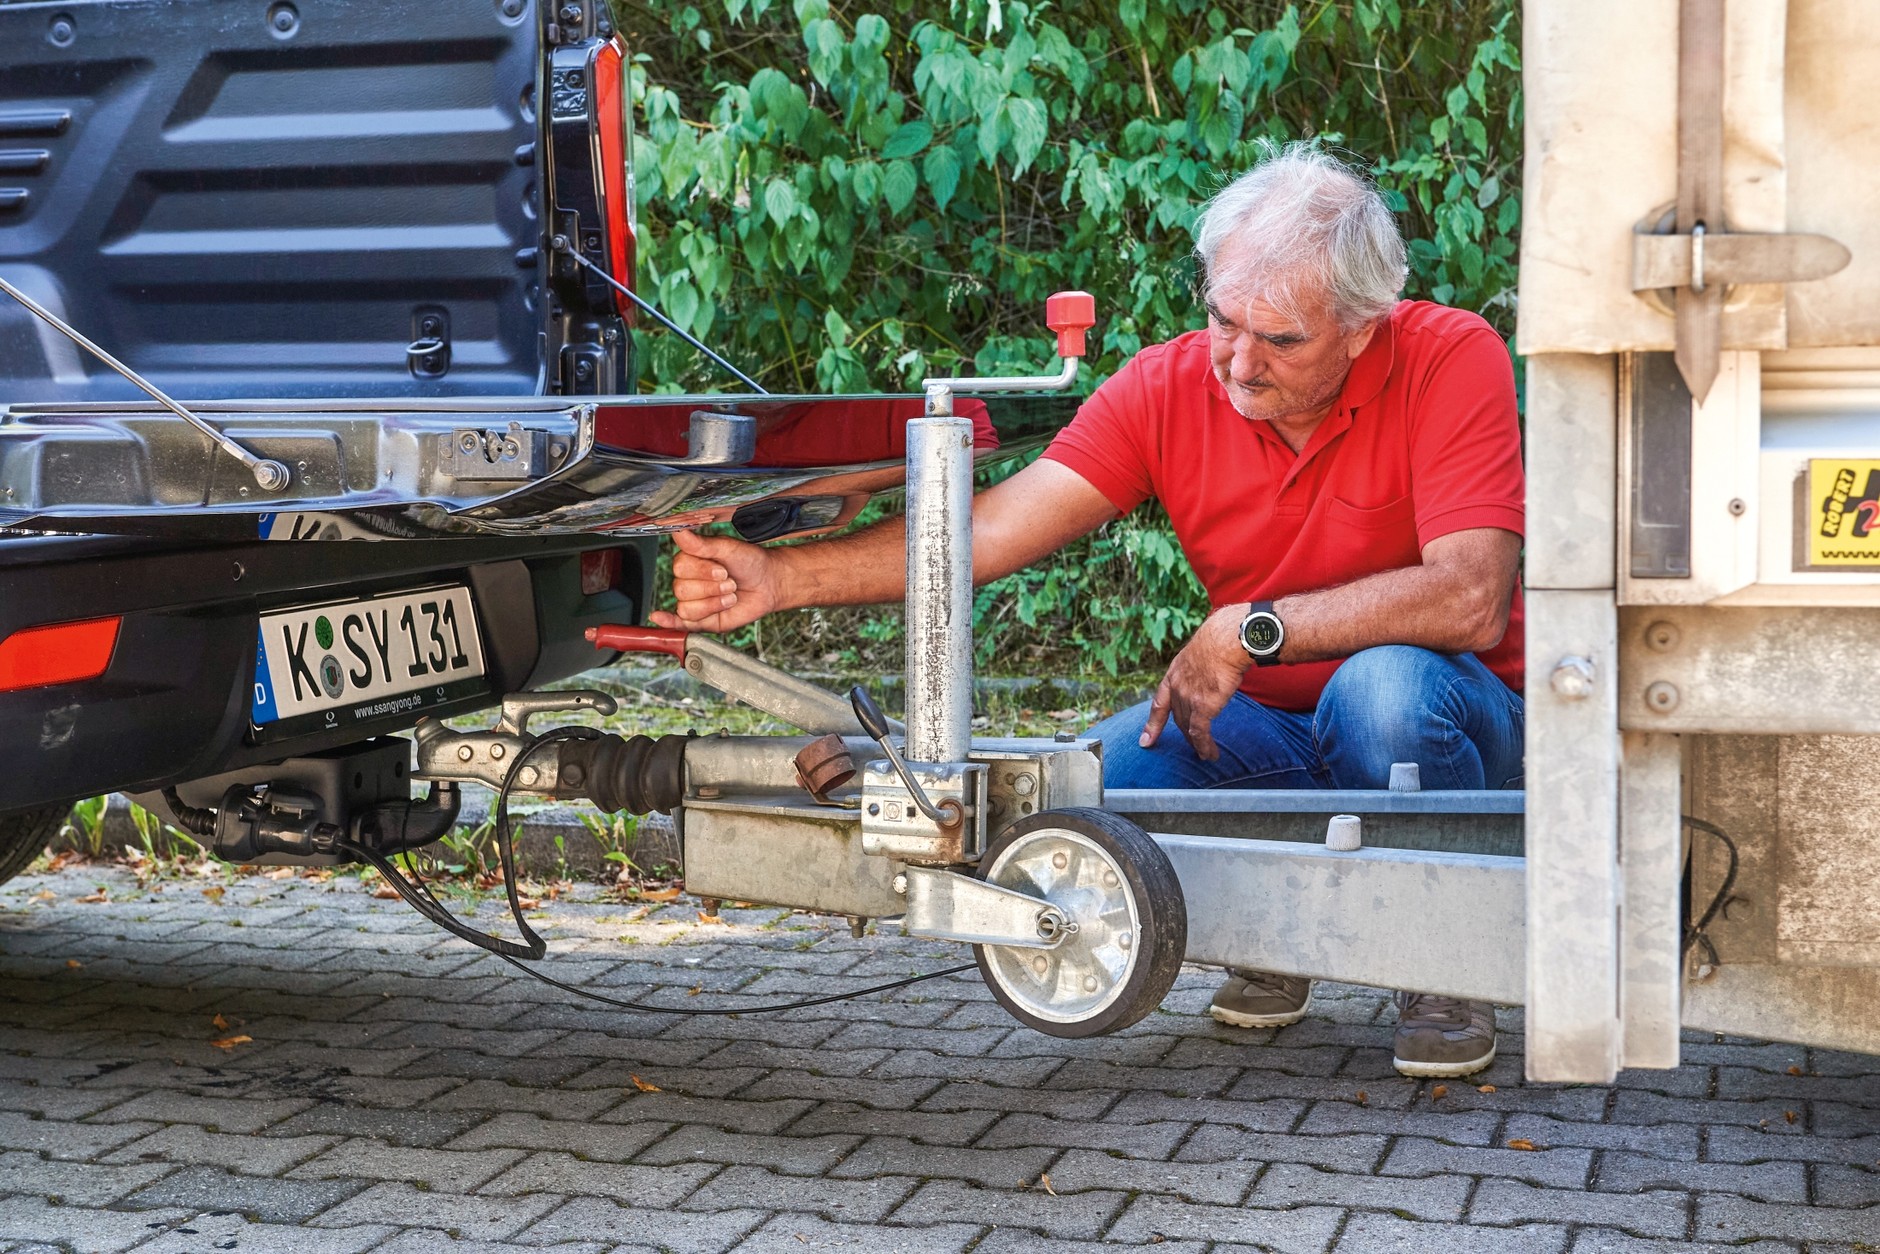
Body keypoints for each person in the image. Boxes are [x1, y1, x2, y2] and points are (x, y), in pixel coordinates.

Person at [652, 144, 1525, 1079]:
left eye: (1281, 340)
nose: (1238, 362)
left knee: (1380, 693)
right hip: (1267, 722)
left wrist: (1248, 628)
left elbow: (1470, 596)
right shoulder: (1167, 384)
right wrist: (779, 578)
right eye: (1224, 319)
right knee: (1089, 787)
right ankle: (1281, 940)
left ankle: (1444, 964)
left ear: (1361, 329)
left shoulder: (1448, 354)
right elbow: (987, 530)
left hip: (1453, 713)